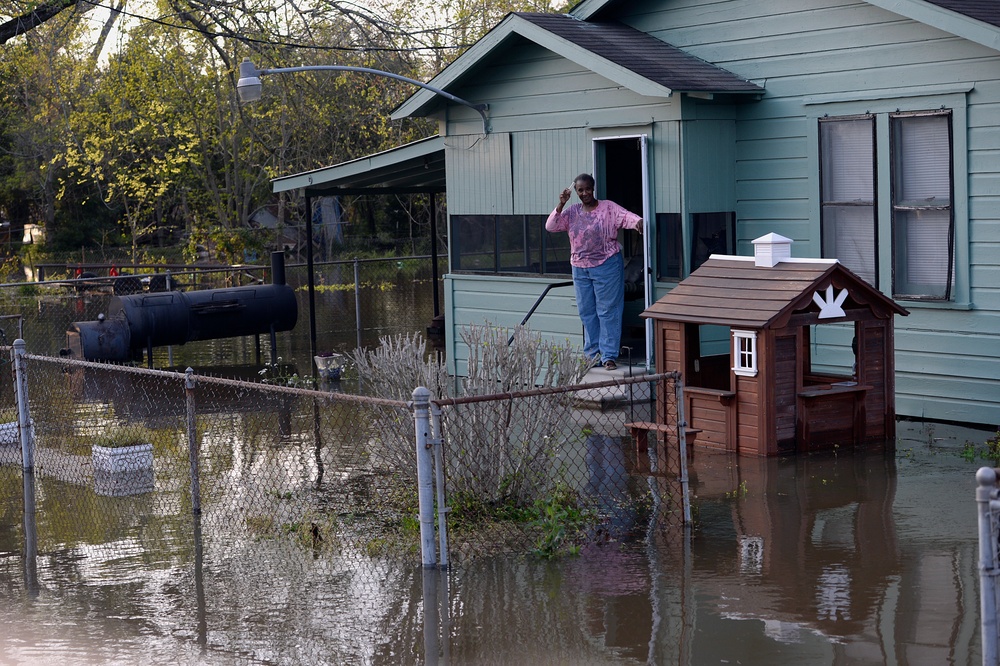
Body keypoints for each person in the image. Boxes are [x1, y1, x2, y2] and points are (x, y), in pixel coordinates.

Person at [546, 173, 643, 371]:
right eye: (580, 190)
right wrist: (561, 204)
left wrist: (638, 222)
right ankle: (592, 355)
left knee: (608, 310)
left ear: (593, 188)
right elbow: (551, 226)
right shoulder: (572, 212)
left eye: (587, 189)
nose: (584, 193)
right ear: (576, 192)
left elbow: (627, 217)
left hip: (606, 264)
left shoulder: (608, 208)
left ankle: (608, 356)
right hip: (580, 268)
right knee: (587, 312)